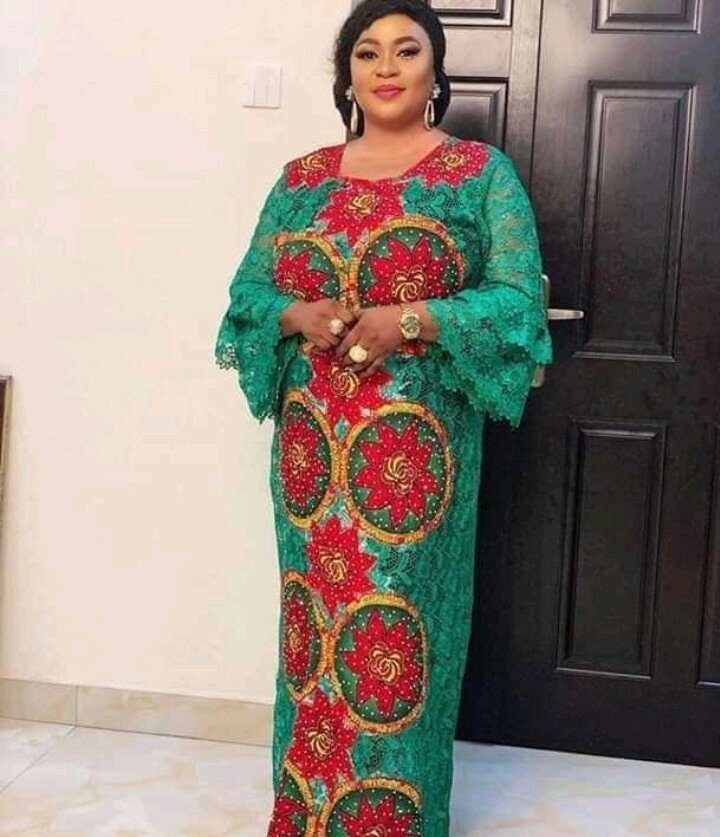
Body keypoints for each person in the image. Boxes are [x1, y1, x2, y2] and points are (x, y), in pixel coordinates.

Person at [215, 0, 553, 832]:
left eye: (408, 50)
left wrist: (413, 320)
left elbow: (518, 304)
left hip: (415, 462)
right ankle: (307, 812)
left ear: (436, 69)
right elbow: (248, 295)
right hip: (312, 457)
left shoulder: (478, 175)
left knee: (398, 634)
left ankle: (395, 818)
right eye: (367, 53)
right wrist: (297, 314)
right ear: (348, 75)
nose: (387, 67)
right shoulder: (301, 181)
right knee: (313, 625)